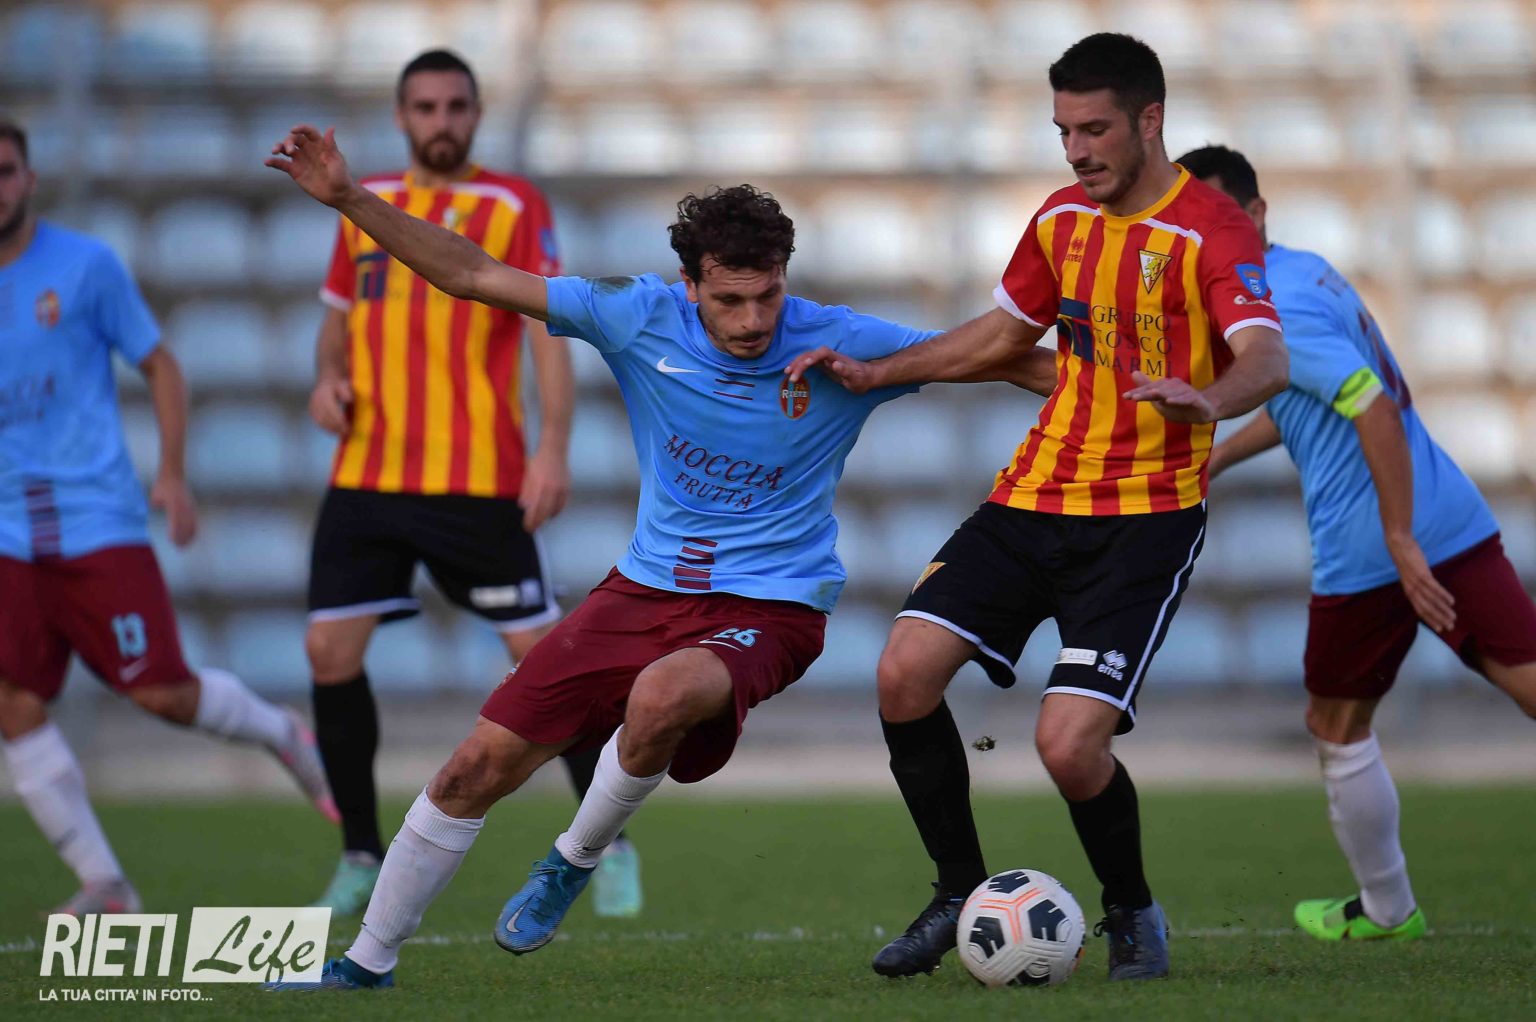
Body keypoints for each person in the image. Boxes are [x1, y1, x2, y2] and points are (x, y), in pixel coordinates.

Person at [263, 115, 959, 988]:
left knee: (663, 693)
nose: (753, 321)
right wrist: (349, 198)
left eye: (769, 296)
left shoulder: (841, 340)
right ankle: (366, 964)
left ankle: (574, 858)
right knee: (473, 767)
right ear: (688, 284)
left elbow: (999, 356)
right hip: (641, 592)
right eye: (729, 300)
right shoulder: (637, 314)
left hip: (772, 606)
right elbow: (472, 273)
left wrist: (1117, 394)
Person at [787, 33, 1288, 981]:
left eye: (1094, 129)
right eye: (1063, 130)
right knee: (902, 674)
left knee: (1066, 747)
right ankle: (956, 893)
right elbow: (1001, 335)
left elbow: (1266, 356)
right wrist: (878, 372)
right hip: (1033, 496)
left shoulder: (1211, 231)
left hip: (1144, 519)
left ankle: (1131, 910)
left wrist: (1211, 398)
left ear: (1150, 120)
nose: (1076, 150)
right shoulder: (1061, 217)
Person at [302, 50, 639, 920]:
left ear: (477, 114)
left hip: (478, 479)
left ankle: (607, 844)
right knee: (328, 653)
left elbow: (547, 332)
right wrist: (327, 381)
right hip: (369, 474)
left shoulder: (513, 204)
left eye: (455, 106)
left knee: (546, 661)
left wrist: (552, 448)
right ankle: (360, 853)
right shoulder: (359, 201)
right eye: (425, 107)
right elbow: (336, 324)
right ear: (402, 115)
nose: (441, 121)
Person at [1185, 144, 1536, 942]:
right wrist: (1222, 457)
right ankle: (1386, 908)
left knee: (1335, 726)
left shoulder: (1277, 306)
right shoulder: (1307, 271)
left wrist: (1398, 539)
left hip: (1372, 545)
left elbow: (1370, 405)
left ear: (1257, 215)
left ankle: (1387, 910)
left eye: (1220, 220)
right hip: (1453, 514)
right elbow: (1307, 396)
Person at [0, 119, 336, 915]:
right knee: (14, 699)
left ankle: (280, 732)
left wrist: (174, 476)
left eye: (5, 170)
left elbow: (160, 363)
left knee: (160, 694)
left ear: (29, 180)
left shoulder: (85, 266)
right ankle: (106, 883)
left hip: (95, 520)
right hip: (7, 532)